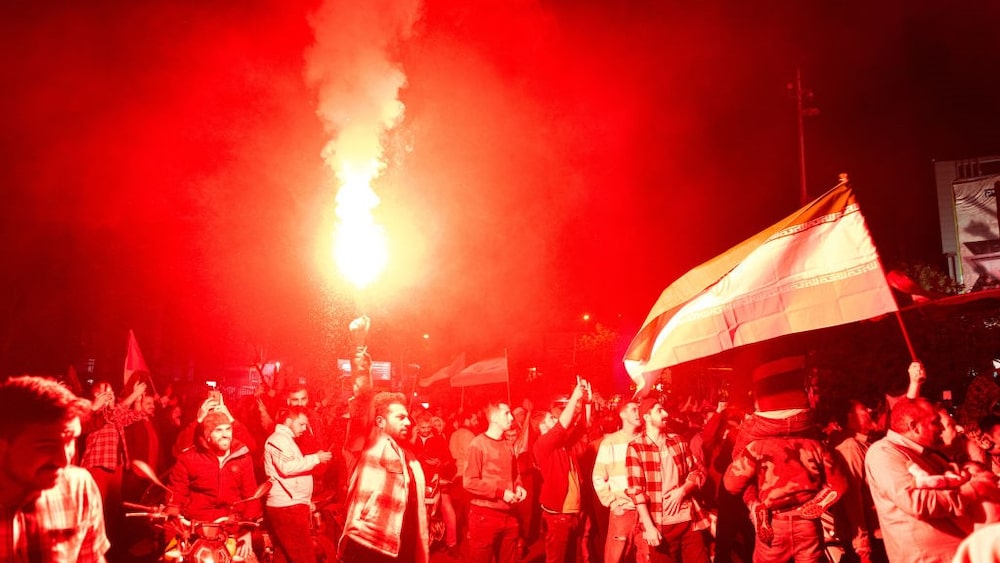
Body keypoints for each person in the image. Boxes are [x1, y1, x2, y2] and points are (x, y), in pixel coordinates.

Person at [0, 375, 110, 562]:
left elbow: (91, 558)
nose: (63, 461)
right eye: (46, 445)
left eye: (70, 440)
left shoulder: (78, 487)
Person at [865, 396, 977, 563]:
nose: (941, 428)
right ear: (914, 427)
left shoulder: (926, 454)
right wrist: (972, 492)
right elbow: (917, 503)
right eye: (935, 422)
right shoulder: (883, 453)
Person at [339, 392, 430, 562]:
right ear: (380, 421)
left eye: (408, 418)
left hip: (398, 542)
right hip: (372, 544)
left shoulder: (403, 452)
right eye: (401, 418)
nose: (409, 422)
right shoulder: (374, 446)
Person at [627, 396, 711, 563]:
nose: (665, 413)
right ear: (647, 417)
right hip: (661, 524)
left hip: (688, 520)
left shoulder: (678, 441)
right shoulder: (636, 447)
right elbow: (637, 492)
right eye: (659, 410)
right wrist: (649, 527)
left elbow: (697, 472)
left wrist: (683, 490)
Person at [168, 411, 261, 560]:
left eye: (228, 429)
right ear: (207, 435)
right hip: (196, 530)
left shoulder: (243, 458)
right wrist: (174, 530)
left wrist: (247, 531)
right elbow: (176, 494)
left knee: (250, 559)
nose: (225, 435)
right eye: (218, 430)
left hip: (231, 529)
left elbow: (250, 496)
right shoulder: (189, 458)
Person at [263, 406, 334, 563]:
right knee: (304, 557)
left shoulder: (285, 440)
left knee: (285, 555)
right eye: (301, 424)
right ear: (288, 421)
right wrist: (316, 458)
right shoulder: (278, 439)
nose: (304, 429)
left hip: (291, 505)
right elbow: (287, 467)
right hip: (288, 507)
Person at [532, 379, 592, 563]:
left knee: (572, 558)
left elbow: (583, 427)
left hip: (572, 512)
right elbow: (560, 428)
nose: (556, 419)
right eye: (551, 419)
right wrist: (575, 396)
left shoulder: (563, 444)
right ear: (542, 427)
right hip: (557, 515)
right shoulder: (542, 445)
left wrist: (587, 403)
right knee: (557, 559)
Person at [463, 402, 526, 563]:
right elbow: (469, 481)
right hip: (484, 516)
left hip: (509, 516)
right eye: (507, 413)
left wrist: (519, 486)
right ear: (495, 418)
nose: (511, 417)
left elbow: (515, 474)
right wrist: (501, 493)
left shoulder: (507, 445)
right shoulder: (478, 444)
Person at [592, 399, 643, 563]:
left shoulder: (645, 439)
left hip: (646, 512)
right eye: (634, 409)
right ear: (622, 414)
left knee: (645, 557)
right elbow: (598, 477)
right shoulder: (610, 443)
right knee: (616, 558)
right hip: (623, 512)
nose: (638, 413)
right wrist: (613, 504)